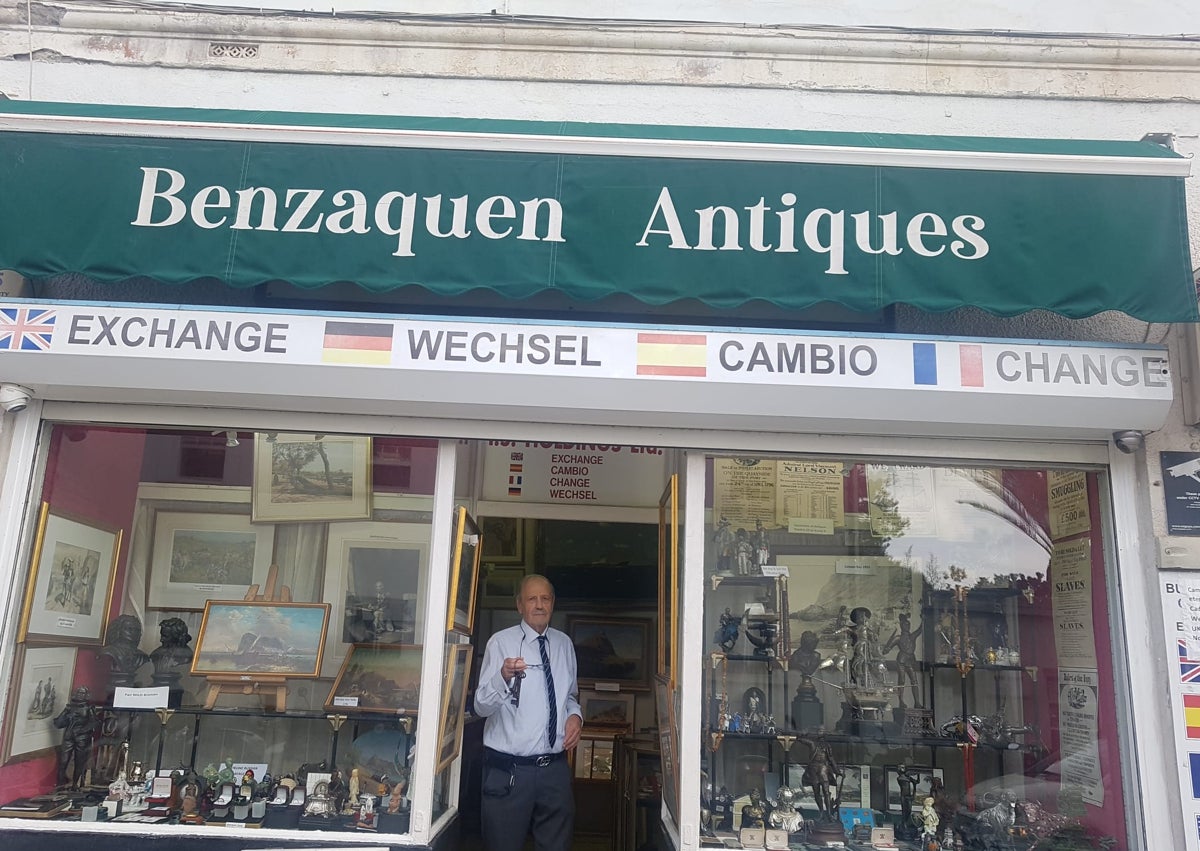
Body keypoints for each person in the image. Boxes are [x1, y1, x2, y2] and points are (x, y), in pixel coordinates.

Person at [474, 574, 582, 851]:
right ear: (519, 605)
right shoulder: (500, 643)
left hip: (554, 770)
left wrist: (575, 717)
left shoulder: (564, 644)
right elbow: (481, 706)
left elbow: (570, 696)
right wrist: (503, 676)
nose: (539, 605)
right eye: (532, 599)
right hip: (510, 770)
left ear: (553, 604)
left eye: (545, 598)